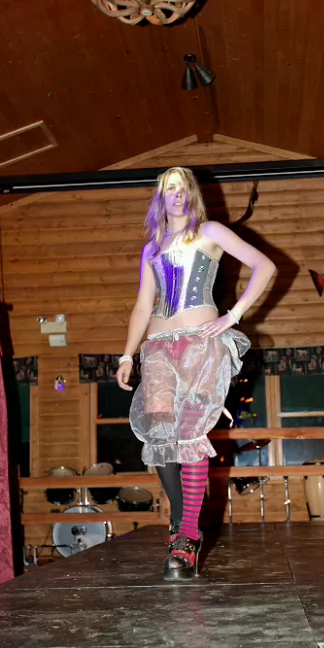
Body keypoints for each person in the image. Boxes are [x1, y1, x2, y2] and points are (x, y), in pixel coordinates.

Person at [116, 167, 276, 580]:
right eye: (168, 188)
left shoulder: (211, 232)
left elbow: (264, 266)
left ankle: (186, 535)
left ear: (192, 195)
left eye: (183, 187)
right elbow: (142, 305)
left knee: (190, 433)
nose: (176, 194)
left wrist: (233, 316)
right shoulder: (151, 249)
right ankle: (181, 520)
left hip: (201, 346)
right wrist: (127, 356)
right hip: (156, 350)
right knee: (160, 437)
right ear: (160, 197)